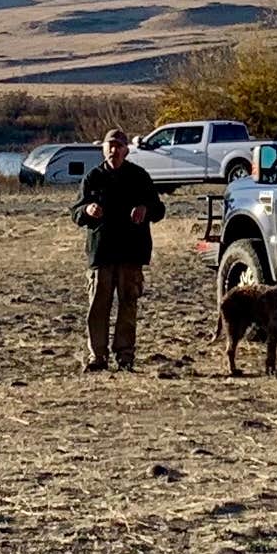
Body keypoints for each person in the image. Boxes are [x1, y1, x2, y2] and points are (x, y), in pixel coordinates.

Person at [73, 128, 169, 372]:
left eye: (118, 146)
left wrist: (145, 209)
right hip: (101, 253)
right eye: (109, 146)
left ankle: (125, 355)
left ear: (126, 150)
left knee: (128, 305)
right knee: (98, 307)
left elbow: (159, 209)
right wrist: (87, 211)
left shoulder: (139, 177)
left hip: (131, 253)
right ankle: (97, 356)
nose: (113, 151)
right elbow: (75, 213)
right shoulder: (92, 177)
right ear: (103, 149)